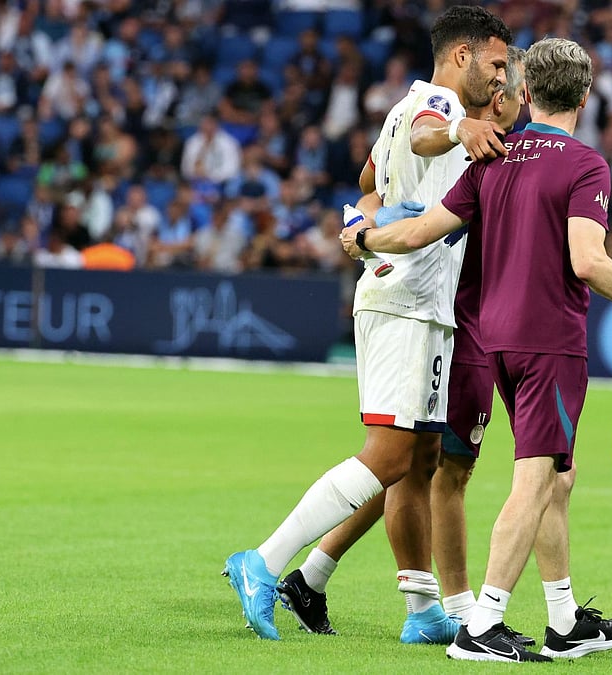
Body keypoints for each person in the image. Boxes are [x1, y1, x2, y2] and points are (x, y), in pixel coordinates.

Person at [340, 37, 612, 662]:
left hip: (494, 337)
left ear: (527, 91)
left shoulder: (494, 158)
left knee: (559, 473)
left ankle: (564, 620)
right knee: (534, 479)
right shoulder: (585, 165)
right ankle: (484, 624)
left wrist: (365, 237)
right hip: (550, 341)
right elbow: (587, 261)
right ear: (585, 96)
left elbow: (423, 230)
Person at [222, 6, 512, 643]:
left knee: (421, 459)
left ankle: (422, 609)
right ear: (461, 56)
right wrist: (458, 132)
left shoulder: (406, 107)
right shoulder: (436, 106)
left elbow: (367, 180)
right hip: (403, 300)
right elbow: (426, 137)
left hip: (427, 306)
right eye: (494, 63)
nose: (501, 77)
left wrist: (361, 221)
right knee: (387, 456)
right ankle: (264, 563)